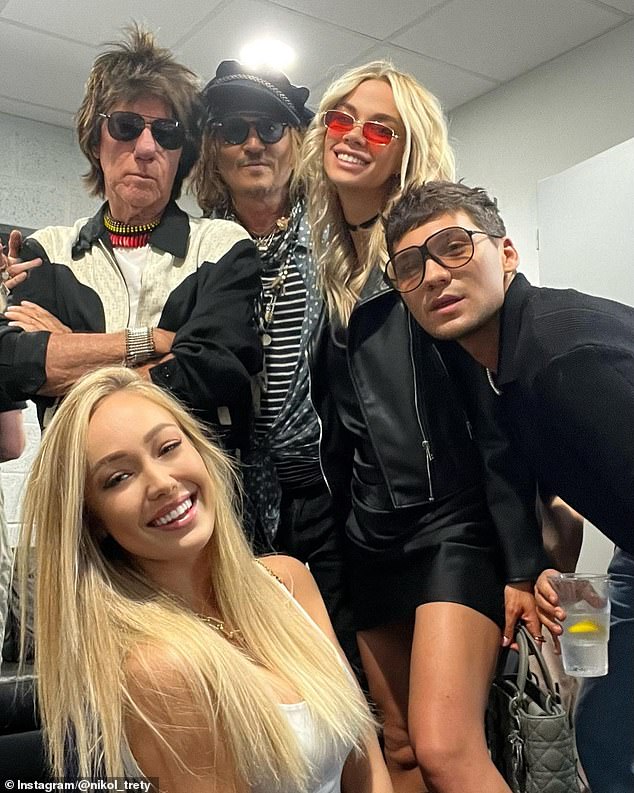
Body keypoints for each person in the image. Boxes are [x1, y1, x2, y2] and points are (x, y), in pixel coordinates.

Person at [301, 62, 546, 793]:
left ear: (408, 147)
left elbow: (494, 412)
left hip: (450, 529)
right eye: (341, 118)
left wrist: (522, 562)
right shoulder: (329, 267)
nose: (353, 135)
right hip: (368, 539)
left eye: (381, 128)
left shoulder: (428, 258)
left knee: (447, 748)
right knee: (401, 748)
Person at [16, 366, 392, 791]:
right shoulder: (158, 670)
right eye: (119, 477)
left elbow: (368, 769)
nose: (161, 482)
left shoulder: (288, 582)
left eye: (168, 447)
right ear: (94, 521)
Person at [384, 179, 634, 793]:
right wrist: (524, 573)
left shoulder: (561, 359)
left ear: (508, 254)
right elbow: (510, 462)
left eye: (454, 247)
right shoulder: (502, 361)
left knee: (607, 741)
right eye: (410, 267)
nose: (434, 276)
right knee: (602, 734)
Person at [0, 27, 262, 452]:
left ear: (182, 154)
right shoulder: (47, 251)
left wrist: (69, 353)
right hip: (78, 484)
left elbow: (216, 368)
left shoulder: (221, 245)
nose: (146, 147)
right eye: (126, 126)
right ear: (95, 140)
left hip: (192, 483)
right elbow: (11, 365)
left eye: (167, 132)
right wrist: (153, 341)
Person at [192, 60, 359, 671]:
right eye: (234, 130)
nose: (254, 143)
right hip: (229, 491)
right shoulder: (197, 253)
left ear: (297, 142)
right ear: (214, 152)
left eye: (269, 127)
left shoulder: (339, 237)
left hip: (329, 490)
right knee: (255, 665)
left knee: (344, 662)